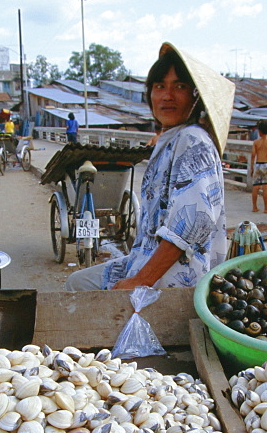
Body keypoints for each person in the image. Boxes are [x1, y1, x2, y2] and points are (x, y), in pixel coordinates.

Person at [64, 42, 233, 292]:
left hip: (175, 277)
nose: (167, 95)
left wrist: (140, 279)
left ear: (195, 97)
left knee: (84, 296)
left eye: (180, 87)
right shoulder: (171, 140)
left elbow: (190, 226)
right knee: (77, 282)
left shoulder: (192, 140)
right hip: (143, 259)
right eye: (159, 86)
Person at [250, 120, 267, 214]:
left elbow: (253, 155)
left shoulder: (256, 142)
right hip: (266, 164)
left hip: (257, 164)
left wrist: (252, 168)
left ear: (259, 131)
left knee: (256, 187)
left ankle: (254, 207)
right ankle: (266, 208)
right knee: (265, 188)